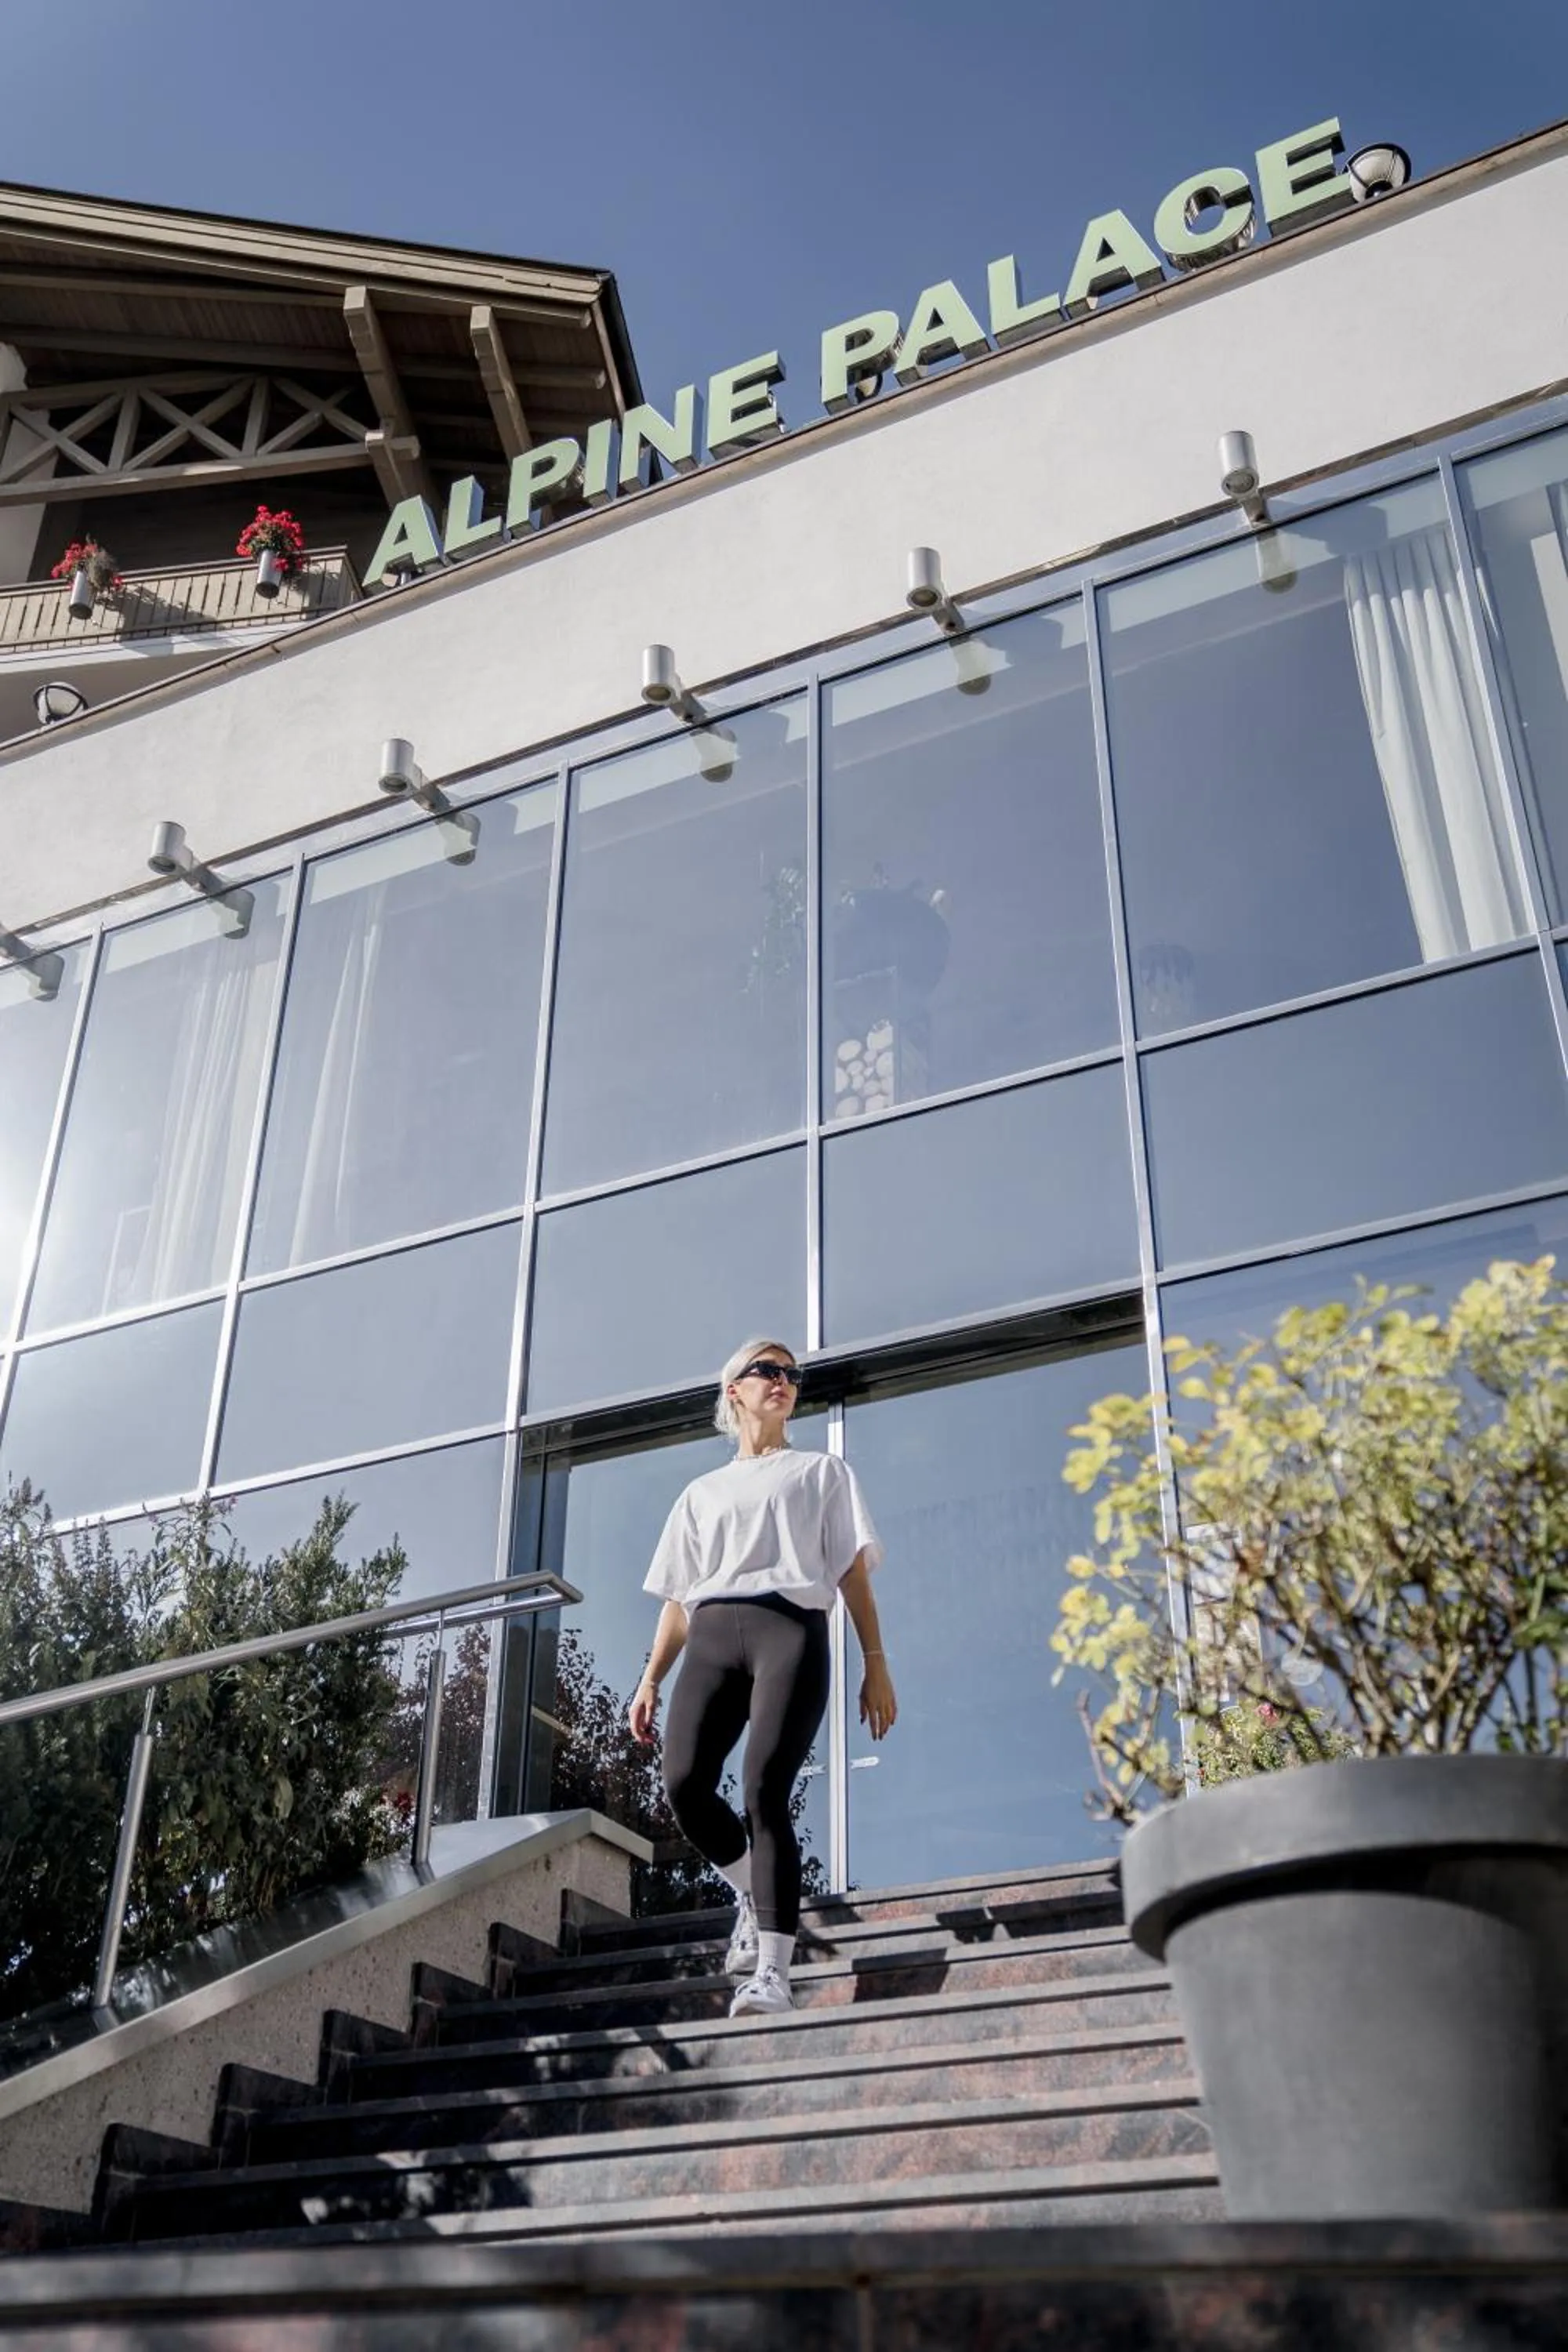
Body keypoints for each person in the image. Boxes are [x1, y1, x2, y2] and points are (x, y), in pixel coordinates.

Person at [629, 1337, 895, 2017]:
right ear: (734, 1391)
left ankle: (774, 1972)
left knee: (763, 1789)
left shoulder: (821, 1473)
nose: (783, 1381)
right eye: (767, 1371)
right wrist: (651, 1679)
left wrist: (875, 1662)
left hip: (790, 1632)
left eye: (792, 1375)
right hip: (713, 1636)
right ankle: (752, 1890)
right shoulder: (700, 1494)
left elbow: (851, 1574)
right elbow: (678, 1601)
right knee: (684, 1783)